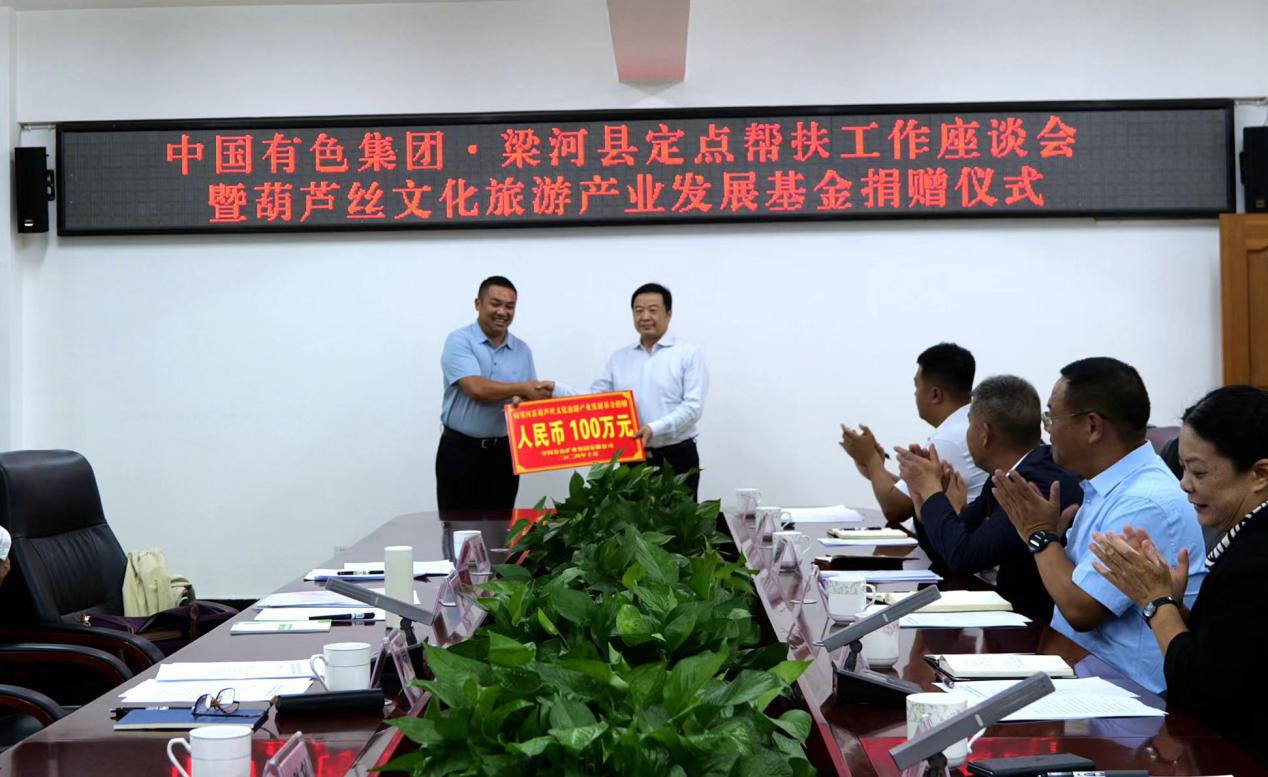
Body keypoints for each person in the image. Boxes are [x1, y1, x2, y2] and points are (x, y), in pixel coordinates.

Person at [992, 357, 1207, 694]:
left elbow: (1081, 610)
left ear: (1092, 426)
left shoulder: (1144, 501)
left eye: (1052, 418)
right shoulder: (1110, 487)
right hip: (1084, 674)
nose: (1047, 430)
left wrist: (1039, 536)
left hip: (1128, 699)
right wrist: (1051, 537)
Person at [1089, 385, 1268, 764]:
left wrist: (1156, 602)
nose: (1184, 484)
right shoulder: (1247, 538)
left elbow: (1202, 690)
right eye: (1182, 468)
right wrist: (1174, 606)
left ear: (1259, 474)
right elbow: (1233, 647)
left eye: (1198, 471)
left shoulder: (1257, 557)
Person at [895, 375, 1082, 621]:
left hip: (1037, 626)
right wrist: (924, 503)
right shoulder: (1008, 473)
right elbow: (948, 553)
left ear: (984, 434)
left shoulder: (1037, 482)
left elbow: (963, 556)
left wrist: (932, 490)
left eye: (969, 424)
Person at [560, 283, 708, 499]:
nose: (645, 316)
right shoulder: (619, 358)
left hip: (677, 457)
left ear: (669, 314)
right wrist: (555, 390)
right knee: (631, 518)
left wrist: (653, 429)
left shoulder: (688, 354)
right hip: (632, 459)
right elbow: (594, 398)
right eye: (639, 310)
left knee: (677, 519)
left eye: (653, 310)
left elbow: (693, 408)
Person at [436, 276, 554, 511]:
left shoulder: (522, 350)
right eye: (495, 304)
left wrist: (527, 397)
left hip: (504, 454)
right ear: (478, 304)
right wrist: (521, 389)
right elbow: (476, 389)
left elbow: (529, 397)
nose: (502, 312)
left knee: (500, 527)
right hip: (460, 452)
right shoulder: (459, 341)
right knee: (458, 527)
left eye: (510, 306)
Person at [840, 342, 989, 523]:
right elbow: (917, 491)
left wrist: (871, 459)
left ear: (935, 395)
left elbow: (895, 508)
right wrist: (876, 471)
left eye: (917, 386)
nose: (915, 394)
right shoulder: (965, 424)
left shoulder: (949, 440)